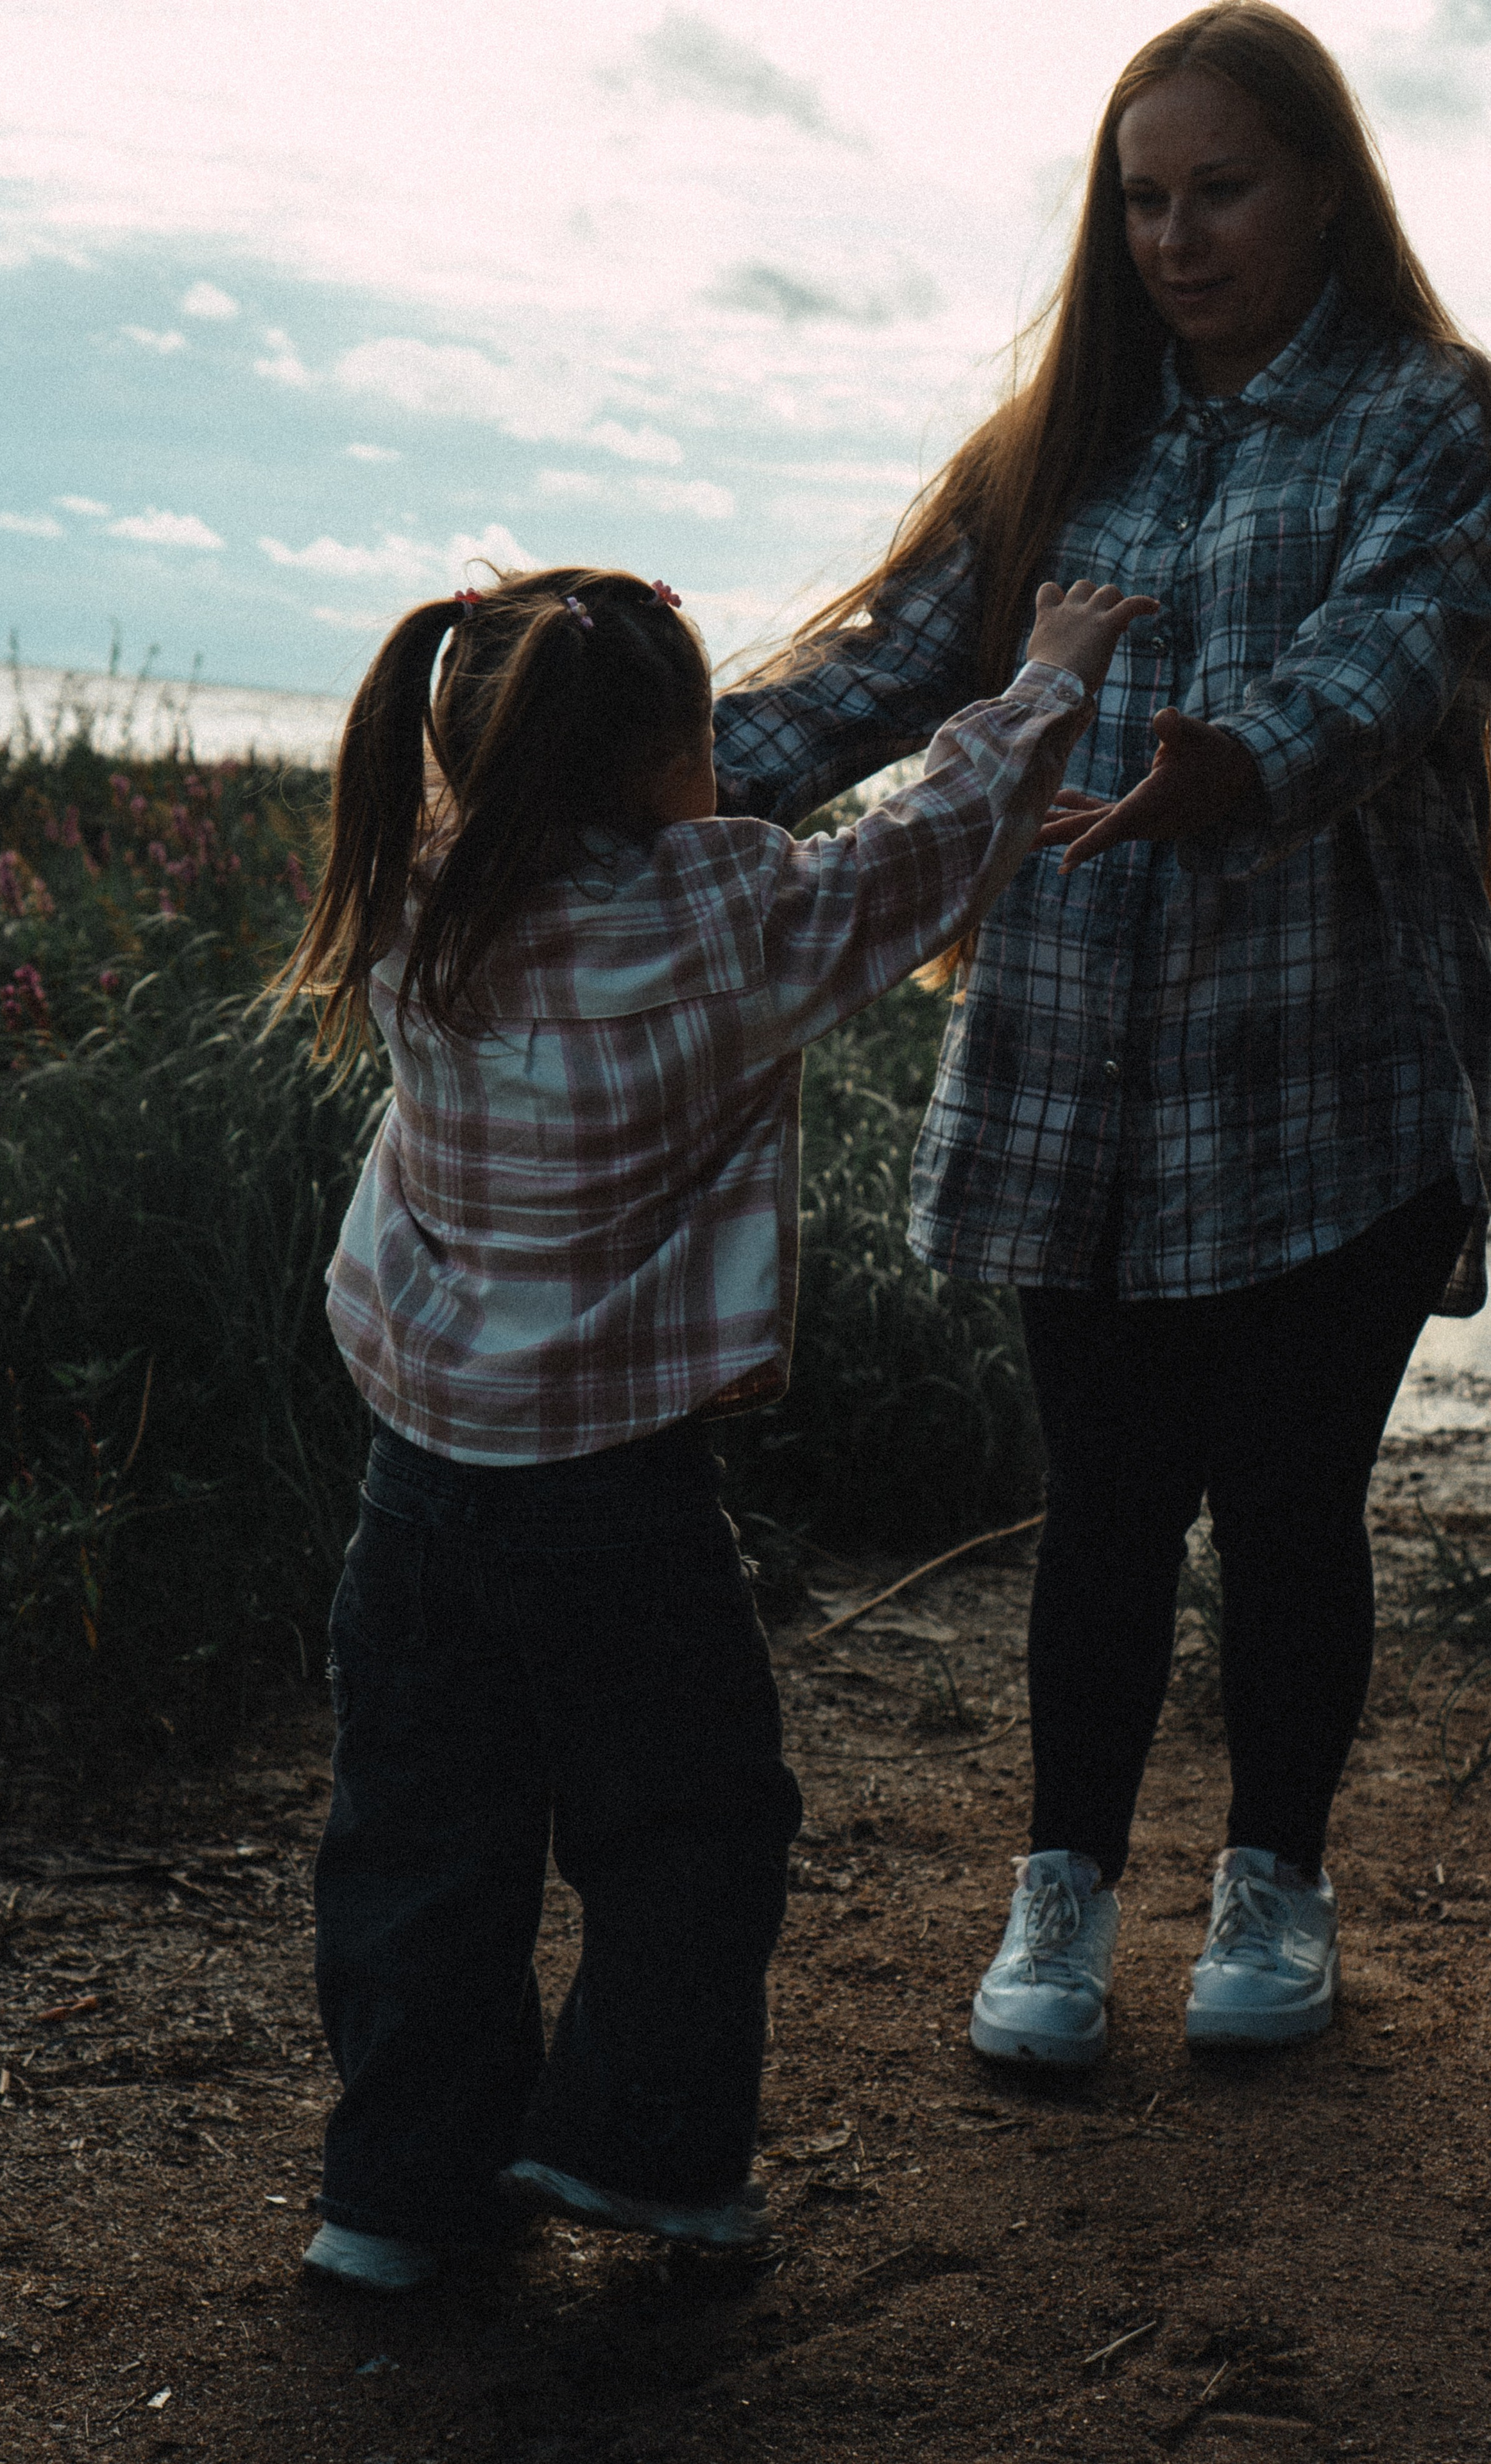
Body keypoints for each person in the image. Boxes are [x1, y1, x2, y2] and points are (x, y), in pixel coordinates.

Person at [714, 1, 1491, 2066]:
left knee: (1298, 1501)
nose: (1175, 235)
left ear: (1325, 182)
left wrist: (1223, 767)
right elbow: (866, 685)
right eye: (1142, 198)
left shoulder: (1431, 418)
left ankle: (1277, 1884)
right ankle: (1058, 1901)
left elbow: (1394, 656)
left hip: (1333, 1084)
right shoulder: (1065, 439)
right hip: (1069, 1089)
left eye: (1220, 188)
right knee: (1110, 1504)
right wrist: (615, 783)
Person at [268, 564, 1150, 2289]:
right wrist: (1048, 678)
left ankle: (394, 2199)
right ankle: (645, 2151)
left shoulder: (414, 897)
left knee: (418, 1841)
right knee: (690, 1825)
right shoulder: (732, 916)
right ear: (684, 759)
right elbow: (925, 847)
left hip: (421, 1483)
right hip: (617, 1498)